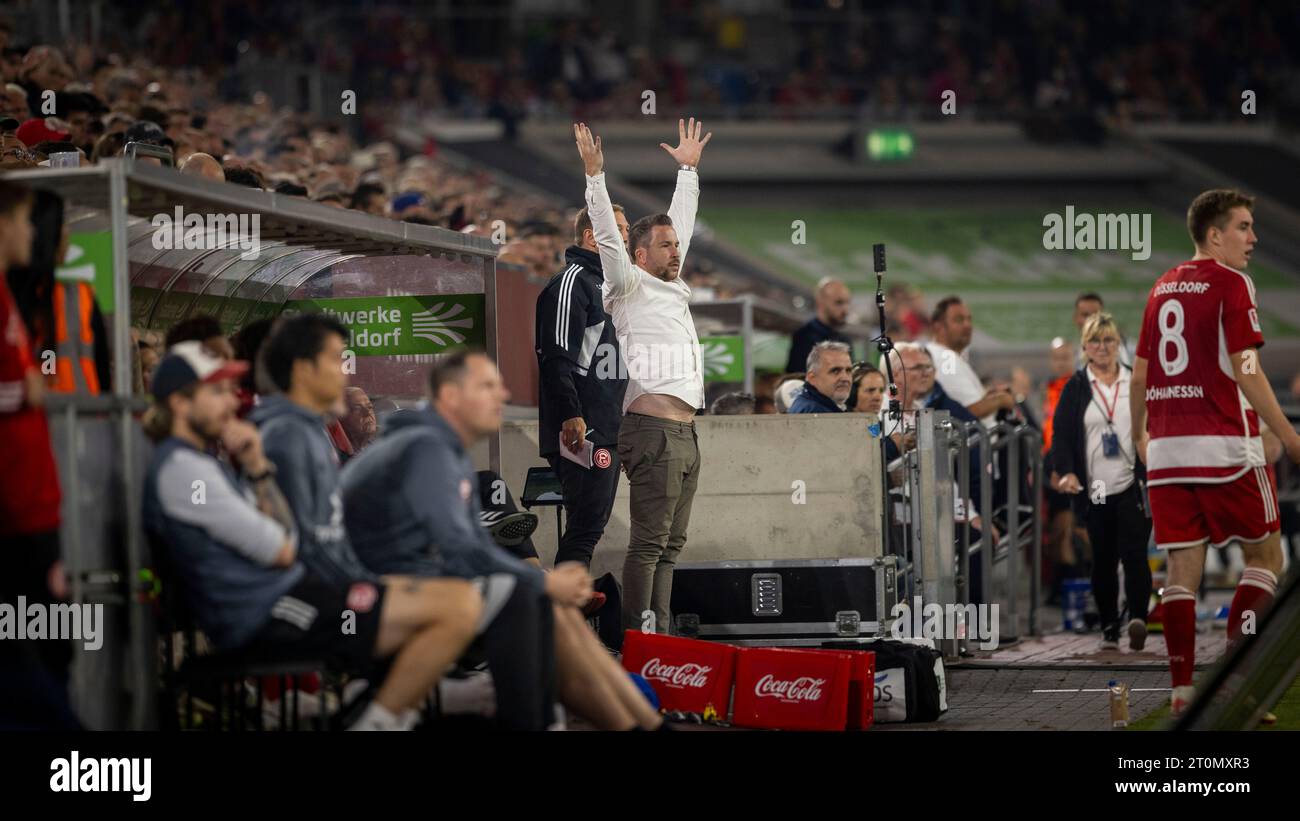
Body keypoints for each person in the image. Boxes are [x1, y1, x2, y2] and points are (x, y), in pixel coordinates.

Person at [142, 341, 482, 731]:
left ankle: (376, 705)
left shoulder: (200, 462)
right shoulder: (184, 469)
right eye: (216, 392)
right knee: (454, 607)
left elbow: (284, 536)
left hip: (289, 599)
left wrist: (255, 466)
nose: (231, 401)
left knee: (453, 600)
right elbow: (284, 549)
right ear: (181, 405)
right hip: (270, 614)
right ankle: (376, 716)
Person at [341, 351, 669, 730]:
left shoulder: (438, 447)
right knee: (530, 599)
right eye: (487, 386)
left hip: (402, 589)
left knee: (548, 609)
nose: (503, 395)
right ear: (450, 397)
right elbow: (459, 550)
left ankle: (645, 725)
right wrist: (542, 579)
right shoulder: (425, 447)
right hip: (358, 605)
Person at [1131, 189, 1300, 715]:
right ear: (1214, 235)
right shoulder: (1231, 282)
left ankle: (1183, 691)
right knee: (1266, 556)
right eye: (1244, 227)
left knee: (1182, 570)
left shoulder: (1161, 287)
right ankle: (1233, 681)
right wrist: (1290, 436)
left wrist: (1141, 435)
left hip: (1166, 453)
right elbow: (1246, 368)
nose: (1252, 239)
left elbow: (1139, 373)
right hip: (1225, 445)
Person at [575, 118, 711, 635]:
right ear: (639, 256)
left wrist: (688, 172)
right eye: (665, 246)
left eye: (677, 245)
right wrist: (595, 178)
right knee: (650, 544)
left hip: (684, 432)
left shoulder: (672, 285)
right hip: (652, 431)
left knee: (670, 546)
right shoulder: (627, 285)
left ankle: (662, 638)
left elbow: (684, 222)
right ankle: (641, 640)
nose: (677, 251)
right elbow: (609, 237)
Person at [534, 198, 630, 571]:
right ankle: (564, 615)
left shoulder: (612, 285)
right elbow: (555, 355)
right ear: (592, 237)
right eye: (619, 229)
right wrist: (571, 414)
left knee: (590, 527)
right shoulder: (572, 281)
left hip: (608, 429)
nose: (626, 236)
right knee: (585, 529)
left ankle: (569, 613)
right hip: (583, 429)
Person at [1050, 313, 1151, 650]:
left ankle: (1137, 616)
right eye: (1096, 341)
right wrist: (1066, 472)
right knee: (1104, 559)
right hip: (1094, 488)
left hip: (1132, 483)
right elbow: (1061, 437)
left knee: (1135, 552)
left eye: (1109, 340)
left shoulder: (1135, 380)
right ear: (1085, 347)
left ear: (1118, 344)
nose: (1103, 347)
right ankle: (1110, 621)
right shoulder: (1076, 387)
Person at [926, 296, 1016, 428]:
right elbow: (968, 411)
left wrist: (989, 396)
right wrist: (1001, 399)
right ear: (938, 327)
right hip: (972, 445)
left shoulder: (944, 355)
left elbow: (960, 401)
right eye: (959, 320)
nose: (967, 325)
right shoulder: (945, 358)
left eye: (969, 319)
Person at [786, 277, 852, 374]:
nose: (845, 310)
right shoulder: (804, 338)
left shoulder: (845, 339)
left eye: (847, 303)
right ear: (820, 302)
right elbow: (796, 380)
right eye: (839, 302)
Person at [788, 341, 852, 413]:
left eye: (848, 371)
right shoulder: (815, 412)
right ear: (812, 378)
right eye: (835, 371)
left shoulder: (810, 404)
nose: (845, 378)